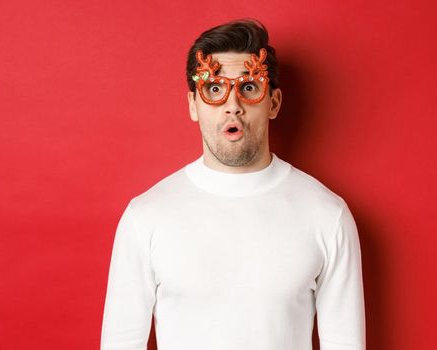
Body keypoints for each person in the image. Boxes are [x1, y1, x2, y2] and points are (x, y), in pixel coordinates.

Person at [100, 18, 366, 350]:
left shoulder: (327, 215)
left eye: (249, 87)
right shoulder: (146, 217)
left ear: (274, 102)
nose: (232, 105)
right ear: (193, 106)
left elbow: (345, 342)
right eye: (214, 89)